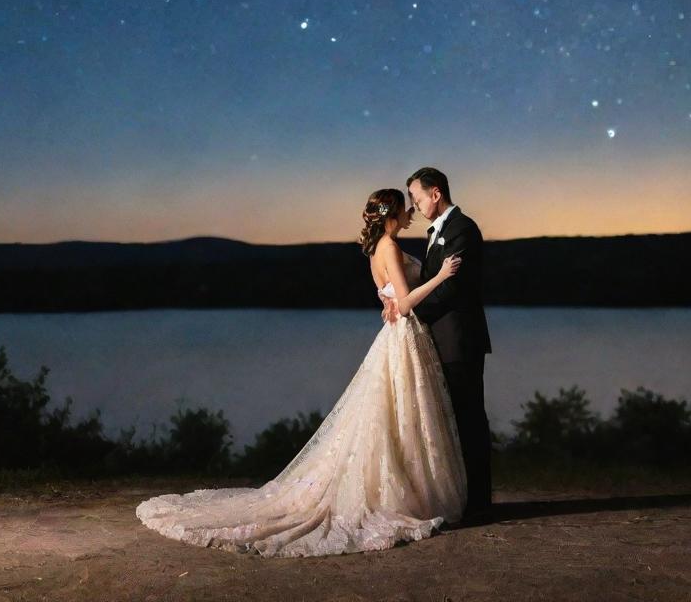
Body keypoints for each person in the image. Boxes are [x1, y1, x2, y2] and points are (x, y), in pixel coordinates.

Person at [135, 188, 467, 557]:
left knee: (393, 414)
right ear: (391, 215)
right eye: (405, 210)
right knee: (399, 412)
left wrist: (388, 301)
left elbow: (388, 296)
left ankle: (406, 488)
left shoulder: (375, 250)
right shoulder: (388, 246)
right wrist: (441, 276)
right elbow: (403, 305)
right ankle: (405, 495)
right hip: (403, 335)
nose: (410, 214)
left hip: (395, 338)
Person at [386, 167, 492, 523]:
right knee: (450, 422)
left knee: (469, 418)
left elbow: (452, 287)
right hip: (440, 341)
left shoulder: (462, 229)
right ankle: (461, 499)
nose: (413, 205)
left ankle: (479, 503)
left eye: (416, 196)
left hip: (459, 340)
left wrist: (412, 313)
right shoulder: (436, 233)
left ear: (435, 194)